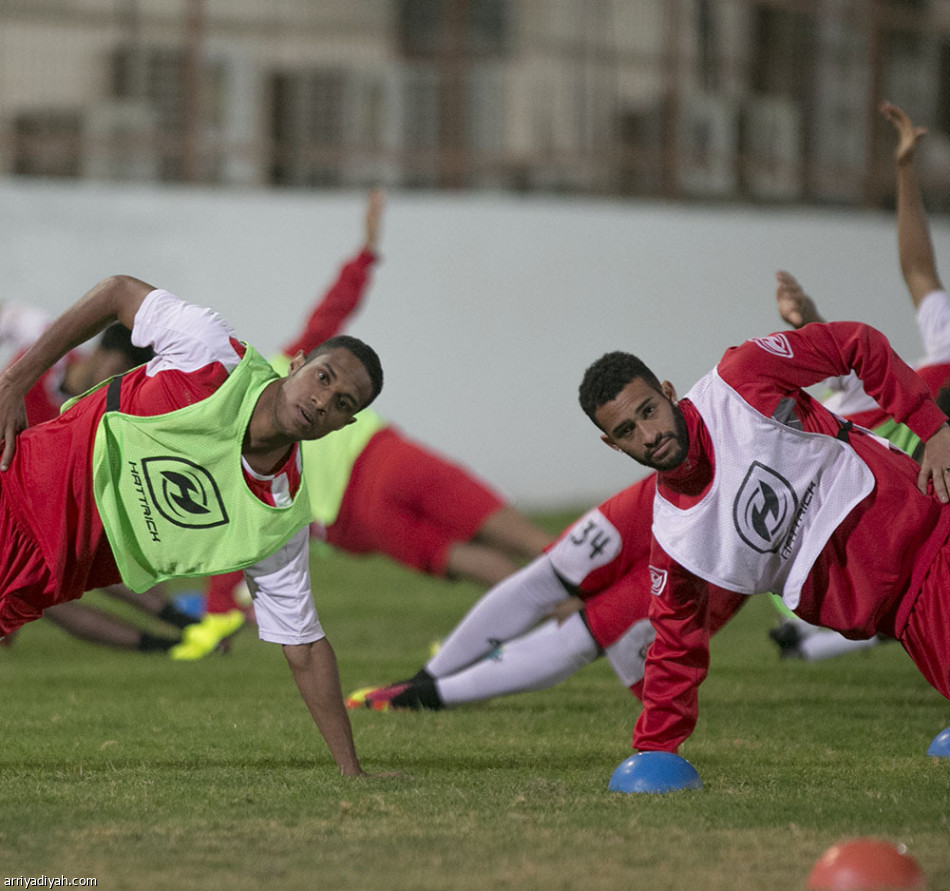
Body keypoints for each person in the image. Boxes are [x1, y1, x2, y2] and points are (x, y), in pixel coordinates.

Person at [0, 273, 386, 776]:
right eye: (324, 377)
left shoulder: (277, 515)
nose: (323, 401)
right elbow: (119, 292)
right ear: (297, 365)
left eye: (343, 404)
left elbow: (306, 647)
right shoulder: (209, 352)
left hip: (37, 583)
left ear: (344, 424)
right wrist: (15, 380)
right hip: (15, 489)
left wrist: (351, 771)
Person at [173, 190, 553, 660]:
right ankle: (593, 592)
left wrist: (217, 608)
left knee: (463, 558)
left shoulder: (238, 452)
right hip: (384, 456)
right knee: (511, 532)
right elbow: (333, 314)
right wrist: (367, 253)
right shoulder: (281, 366)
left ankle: (570, 615)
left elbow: (236, 536)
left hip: (356, 516)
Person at [576, 287, 950, 758]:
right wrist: (654, 753)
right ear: (614, 445)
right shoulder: (675, 539)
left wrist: (933, 429)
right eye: (627, 431)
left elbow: (857, 343)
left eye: (648, 411)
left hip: (935, 535)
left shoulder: (741, 378)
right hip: (904, 617)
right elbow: (675, 646)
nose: (649, 435)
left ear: (668, 392)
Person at [767, 100, 950, 661]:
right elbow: (918, 269)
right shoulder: (929, 364)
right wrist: (903, 171)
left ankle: (815, 643)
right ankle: (815, 638)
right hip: (824, 552)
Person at [345, 473, 745, 712]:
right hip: (661, 493)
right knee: (548, 576)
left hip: (717, 542)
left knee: (590, 629)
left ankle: (425, 696)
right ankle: (420, 682)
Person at [0, 308, 197, 653]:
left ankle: (179, 631)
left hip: (27, 516)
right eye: (116, 371)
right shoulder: (34, 366)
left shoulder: (97, 414)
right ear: (100, 352)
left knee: (73, 549)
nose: (112, 383)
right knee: (46, 584)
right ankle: (168, 641)